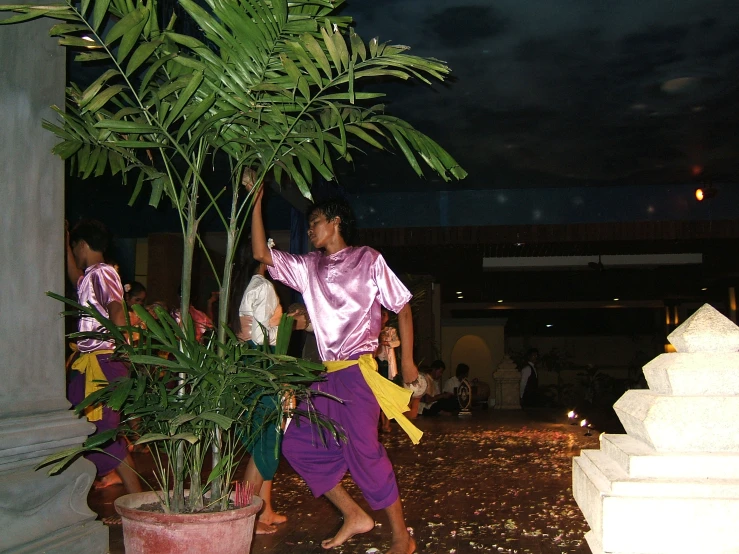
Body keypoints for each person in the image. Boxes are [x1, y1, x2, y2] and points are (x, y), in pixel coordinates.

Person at [247, 171, 420, 554]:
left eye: (315, 222)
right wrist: (257, 200)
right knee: (295, 443)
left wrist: (407, 362)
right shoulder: (309, 267)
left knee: (366, 454)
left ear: (336, 222)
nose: (310, 230)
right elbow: (262, 254)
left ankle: (400, 537)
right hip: (324, 378)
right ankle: (354, 515)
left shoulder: (368, 259)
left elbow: (403, 306)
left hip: (358, 376)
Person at [65, 220, 142, 493]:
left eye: (74, 247)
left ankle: (139, 498)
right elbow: (76, 278)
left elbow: (116, 307)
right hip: (90, 362)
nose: (73, 253)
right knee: (84, 425)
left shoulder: (103, 272)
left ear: (83, 245)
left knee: (102, 431)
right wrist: (65, 238)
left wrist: (122, 344)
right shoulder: (90, 275)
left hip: (103, 359)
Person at [228, 243, 287, 535]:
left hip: (246, 364)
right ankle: (244, 517)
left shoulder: (239, 285)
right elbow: (261, 333)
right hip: (262, 363)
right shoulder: (261, 285)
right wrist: (289, 322)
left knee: (262, 442)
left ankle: (265, 511)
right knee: (266, 443)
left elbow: (243, 330)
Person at [376, 308, 400, 431]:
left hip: (386, 364)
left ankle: (387, 423)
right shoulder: (373, 329)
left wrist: (386, 343)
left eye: (384, 314)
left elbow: (397, 343)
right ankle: (379, 422)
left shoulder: (391, 331)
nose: (382, 316)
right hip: (375, 363)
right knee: (377, 394)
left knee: (386, 394)